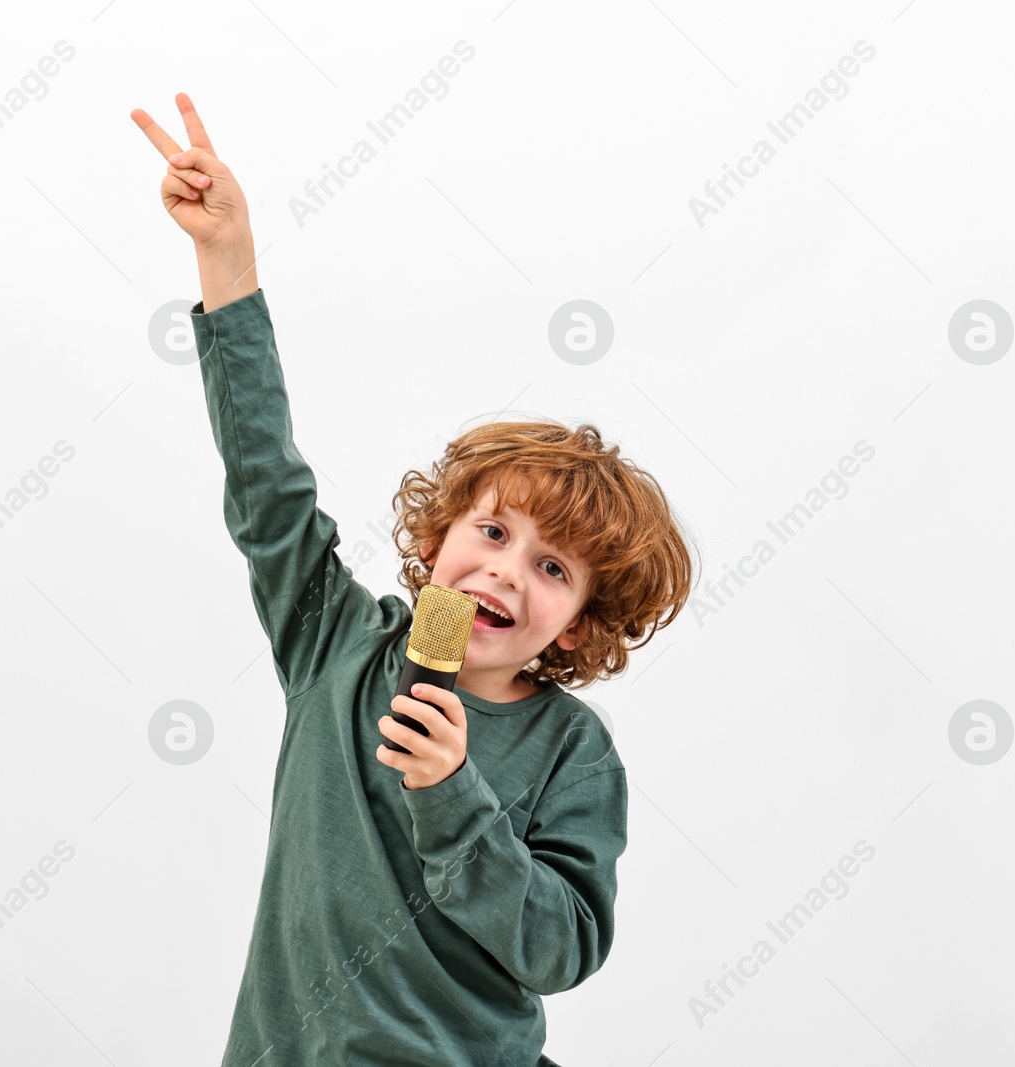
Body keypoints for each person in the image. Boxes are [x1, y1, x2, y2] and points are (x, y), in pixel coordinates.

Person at [131, 92, 695, 1067]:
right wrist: (228, 263)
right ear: (438, 540)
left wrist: (451, 791)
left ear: (573, 624)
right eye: (492, 529)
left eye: (551, 566)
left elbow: (560, 946)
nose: (506, 569)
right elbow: (267, 483)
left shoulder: (572, 751)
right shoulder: (335, 644)